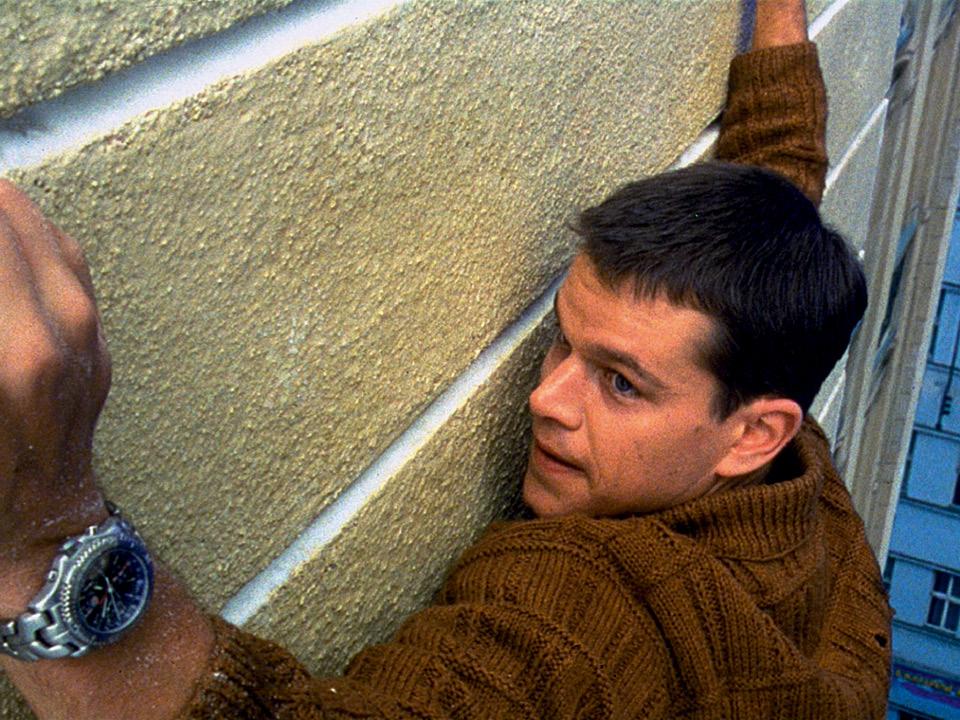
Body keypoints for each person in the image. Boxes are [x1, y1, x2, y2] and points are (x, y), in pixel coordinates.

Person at [0, 1, 891, 718]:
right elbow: (783, 172)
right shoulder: (789, 451)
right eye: (563, 338)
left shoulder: (599, 607)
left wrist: (43, 534)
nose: (548, 398)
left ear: (753, 433)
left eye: (620, 383)